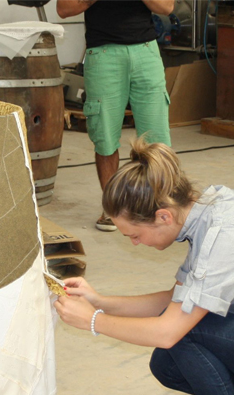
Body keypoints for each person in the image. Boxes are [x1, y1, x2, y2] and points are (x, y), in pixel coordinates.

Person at [54, 137, 234, 395]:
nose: (134, 242)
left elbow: (170, 327)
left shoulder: (225, 234)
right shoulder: (209, 209)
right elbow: (177, 298)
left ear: (163, 215)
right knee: (168, 363)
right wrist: (100, 300)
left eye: (135, 235)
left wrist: (94, 321)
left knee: (182, 334)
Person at [56, 0, 173, 232]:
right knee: (105, 136)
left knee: (157, 138)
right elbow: (64, 9)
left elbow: (166, 7)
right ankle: (113, 208)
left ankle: (159, 205)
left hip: (146, 51)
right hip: (103, 54)